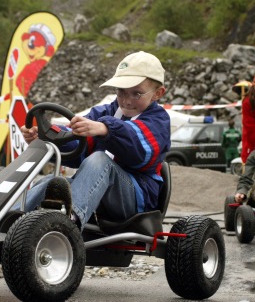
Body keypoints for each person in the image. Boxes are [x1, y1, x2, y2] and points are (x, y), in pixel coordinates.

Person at [18, 51, 171, 229]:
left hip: (137, 198)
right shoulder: (106, 112)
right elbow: (77, 141)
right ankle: (10, 221)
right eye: (122, 92)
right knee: (51, 183)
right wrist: (47, 137)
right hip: (96, 192)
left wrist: (106, 129)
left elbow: (141, 150)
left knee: (100, 159)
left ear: (157, 93)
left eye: (136, 94)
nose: (127, 101)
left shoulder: (158, 120)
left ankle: (68, 225)